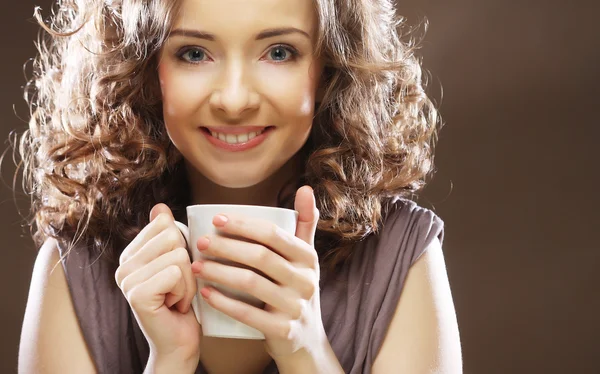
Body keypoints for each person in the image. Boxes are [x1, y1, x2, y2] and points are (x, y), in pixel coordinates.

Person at [16, 0, 462, 373]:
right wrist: (169, 361)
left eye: (279, 52)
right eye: (193, 53)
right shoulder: (74, 267)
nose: (234, 100)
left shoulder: (403, 256)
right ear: (147, 68)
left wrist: (306, 351)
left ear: (330, 66)